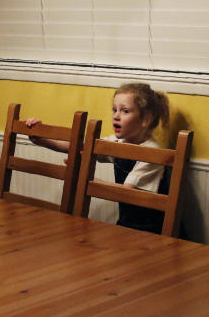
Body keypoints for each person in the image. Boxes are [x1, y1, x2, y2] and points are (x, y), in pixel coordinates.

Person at [26, 82, 172, 234]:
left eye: (125, 111)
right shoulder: (118, 143)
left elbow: (125, 192)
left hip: (153, 231)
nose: (116, 116)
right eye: (114, 110)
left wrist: (84, 176)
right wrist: (42, 139)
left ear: (146, 119)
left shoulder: (152, 153)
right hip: (126, 226)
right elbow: (78, 146)